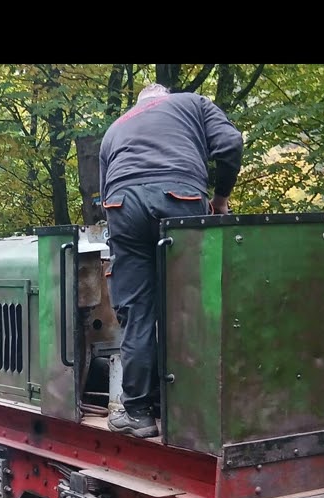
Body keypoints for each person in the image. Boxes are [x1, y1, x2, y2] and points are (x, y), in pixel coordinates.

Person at [97, 82, 243, 438]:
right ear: (165, 97)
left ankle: (139, 413)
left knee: (138, 310)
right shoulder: (193, 103)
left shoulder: (114, 128)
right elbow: (231, 143)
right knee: (189, 304)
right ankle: (194, 409)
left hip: (122, 205)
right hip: (178, 195)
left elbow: (103, 196)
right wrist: (220, 198)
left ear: (139, 104)